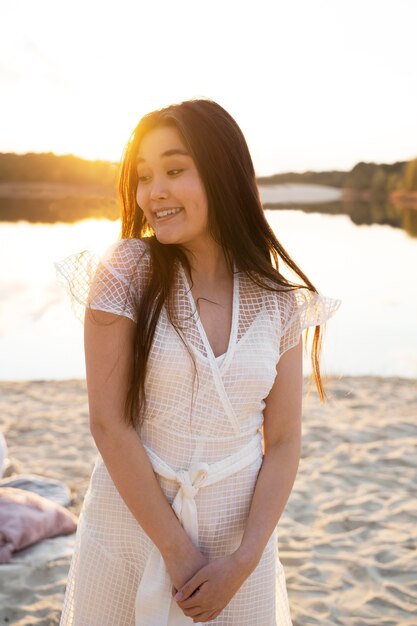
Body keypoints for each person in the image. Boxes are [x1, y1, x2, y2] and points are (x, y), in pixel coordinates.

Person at [54, 97, 341, 625]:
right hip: (132, 528)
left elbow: (282, 442)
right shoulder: (126, 271)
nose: (152, 191)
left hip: (239, 537)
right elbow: (108, 423)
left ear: (223, 173)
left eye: (175, 169)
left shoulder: (276, 300)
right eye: (143, 176)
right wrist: (180, 554)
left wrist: (244, 560)